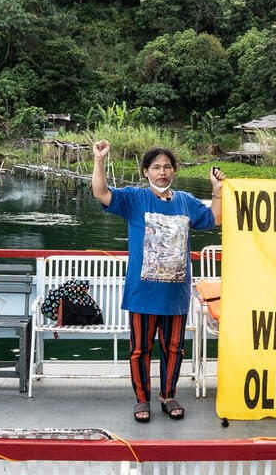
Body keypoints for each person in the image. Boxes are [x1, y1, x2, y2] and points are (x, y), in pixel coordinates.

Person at [91, 139, 224, 423]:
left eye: (167, 167)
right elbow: (101, 192)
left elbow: (215, 219)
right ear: (145, 171)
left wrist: (217, 191)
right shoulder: (134, 199)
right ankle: (142, 399)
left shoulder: (186, 201)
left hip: (175, 294)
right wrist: (99, 160)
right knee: (140, 350)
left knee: (174, 348)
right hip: (142, 293)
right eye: (155, 167)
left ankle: (168, 396)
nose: (162, 172)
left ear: (174, 170)